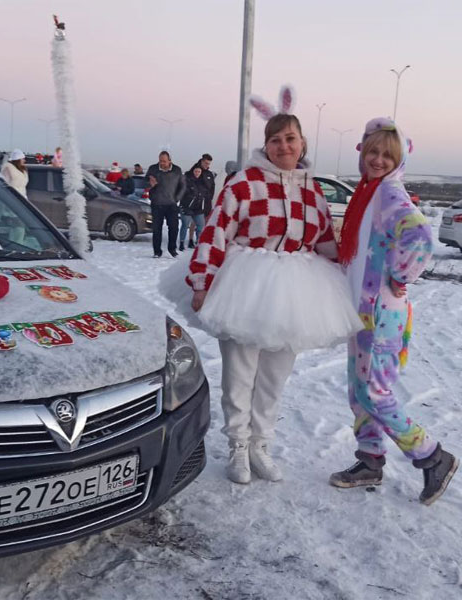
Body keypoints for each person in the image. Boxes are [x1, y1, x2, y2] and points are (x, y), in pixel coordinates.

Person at [185, 89, 362, 484]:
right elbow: (215, 233)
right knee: (240, 373)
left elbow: (326, 244)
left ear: (302, 144)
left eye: (291, 139)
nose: (283, 146)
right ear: (266, 145)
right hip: (244, 285)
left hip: (295, 291)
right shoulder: (244, 183)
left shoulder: (312, 191)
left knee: (274, 376)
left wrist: (358, 274)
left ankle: (260, 445)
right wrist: (201, 281)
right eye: (275, 139)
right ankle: (237, 447)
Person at [329, 118, 458, 505]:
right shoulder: (368, 193)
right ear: (362, 151)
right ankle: (370, 459)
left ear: (398, 160)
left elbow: (420, 236)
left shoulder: (389, 194)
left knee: (374, 391)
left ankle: (432, 456)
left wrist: (401, 274)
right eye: (373, 151)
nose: (378, 159)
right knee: (359, 391)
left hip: (382, 312)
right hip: (362, 311)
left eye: (388, 154)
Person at [146, 151, 185, 258]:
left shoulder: (177, 170)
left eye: (164, 161)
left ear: (169, 161)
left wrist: (176, 199)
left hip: (171, 204)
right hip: (157, 203)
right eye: (160, 161)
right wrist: (150, 184)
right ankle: (157, 251)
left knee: (173, 228)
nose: (161, 163)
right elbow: (144, 182)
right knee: (156, 229)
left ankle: (172, 249)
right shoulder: (153, 169)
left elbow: (183, 186)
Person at [179, 164, 207, 250]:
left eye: (199, 171)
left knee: (200, 226)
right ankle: (181, 243)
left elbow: (206, 192)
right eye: (196, 171)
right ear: (193, 171)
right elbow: (181, 192)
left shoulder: (203, 181)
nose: (197, 173)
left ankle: (198, 242)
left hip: (198, 207)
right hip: (187, 206)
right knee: (185, 225)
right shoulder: (187, 180)